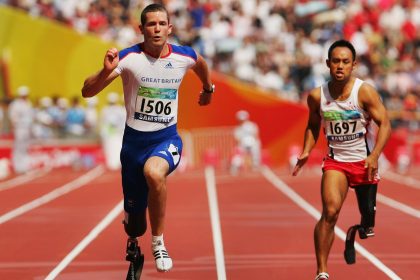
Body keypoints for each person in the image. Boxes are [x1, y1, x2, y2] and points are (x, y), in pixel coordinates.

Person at [81, 3, 214, 275]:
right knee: (135, 225)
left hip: (166, 139)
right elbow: (87, 91)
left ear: (169, 28)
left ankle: (159, 242)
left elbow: (200, 63)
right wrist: (105, 71)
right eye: (151, 24)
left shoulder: (183, 56)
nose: (156, 29)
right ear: (141, 29)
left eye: (161, 24)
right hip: (133, 147)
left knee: (155, 173)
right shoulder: (127, 57)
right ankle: (134, 240)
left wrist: (208, 88)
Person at [292, 40, 391, 280]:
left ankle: (356, 231)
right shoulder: (317, 96)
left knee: (368, 223)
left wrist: (375, 155)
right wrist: (307, 150)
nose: (340, 66)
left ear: (354, 65)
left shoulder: (364, 92)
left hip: (364, 162)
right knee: (330, 211)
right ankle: (322, 271)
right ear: (328, 63)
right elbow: (313, 126)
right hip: (336, 162)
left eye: (345, 62)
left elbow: (385, 124)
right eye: (335, 61)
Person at [8, 85, 34, 174]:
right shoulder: (15, 104)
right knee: (18, 147)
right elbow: (13, 117)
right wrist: (14, 128)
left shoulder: (28, 103)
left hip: (27, 128)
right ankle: (18, 166)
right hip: (19, 128)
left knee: (25, 147)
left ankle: (25, 166)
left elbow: (30, 117)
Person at [100, 92, 126, 170]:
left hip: (114, 133)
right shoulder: (119, 110)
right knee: (115, 148)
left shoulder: (105, 110)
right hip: (113, 133)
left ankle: (114, 163)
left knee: (113, 148)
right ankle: (114, 163)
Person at [230, 110, 261, 175]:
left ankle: (255, 166)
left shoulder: (252, 125)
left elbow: (256, 134)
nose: (242, 121)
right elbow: (237, 139)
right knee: (238, 154)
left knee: (255, 154)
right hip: (242, 144)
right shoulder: (238, 128)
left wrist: (255, 142)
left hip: (253, 143)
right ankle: (236, 166)